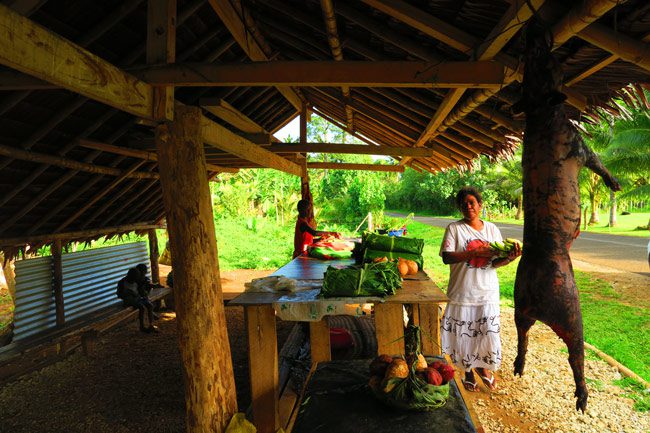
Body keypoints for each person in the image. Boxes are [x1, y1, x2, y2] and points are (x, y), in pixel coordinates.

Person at [439, 186, 521, 392]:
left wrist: (509, 258)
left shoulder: (492, 229)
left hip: (487, 292)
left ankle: (483, 369)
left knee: (486, 333)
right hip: (463, 291)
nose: (468, 206)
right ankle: (468, 371)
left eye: (472, 203)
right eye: (464, 204)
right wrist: (474, 252)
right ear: (460, 207)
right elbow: (447, 257)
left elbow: (494, 263)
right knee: (465, 335)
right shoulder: (454, 229)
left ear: (480, 205)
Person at [116, 267, 158, 333]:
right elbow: (119, 295)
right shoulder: (122, 282)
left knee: (149, 305)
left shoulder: (136, 281)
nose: (134, 280)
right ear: (129, 276)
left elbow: (140, 291)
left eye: (135, 279)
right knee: (142, 308)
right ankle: (142, 327)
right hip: (128, 300)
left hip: (137, 298)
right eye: (133, 279)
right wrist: (127, 293)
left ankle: (151, 325)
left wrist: (144, 292)